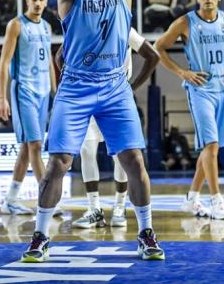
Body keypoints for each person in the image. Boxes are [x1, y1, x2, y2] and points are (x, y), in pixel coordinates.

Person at [21, 0, 164, 263]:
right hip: (76, 86)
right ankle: (40, 236)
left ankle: (146, 232)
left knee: (133, 160)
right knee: (58, 163)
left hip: (115, 86)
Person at [156, 0, 224, 219]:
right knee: (211, 146)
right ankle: (217, 202)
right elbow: (158, 47)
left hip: (223, 89)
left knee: (211, 150)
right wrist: (182, 72)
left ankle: (191, 199)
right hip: (200, 90)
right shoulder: (185, 22)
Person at [55, 27, 159, 229]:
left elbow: (153, 56)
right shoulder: (84, 24)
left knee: (121, 155)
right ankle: (94, 209)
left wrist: (131, 87)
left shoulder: (124, 28)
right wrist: (73, 81)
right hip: (88, 95)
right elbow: (59, 57)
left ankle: (119, 206)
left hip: (115, 98)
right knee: (87, 151)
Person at [0, 0, 56, 215]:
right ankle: (47, 200)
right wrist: (2, 98)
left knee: (26, 148)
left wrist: (56, 93)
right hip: (25, 90)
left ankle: (10, 201)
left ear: (46, 2)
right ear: (27, 1)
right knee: (36, 145)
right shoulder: (16, 25)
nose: (38, 4)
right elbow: (4, 63)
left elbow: (49, 62)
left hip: (43, 92)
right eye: (34, 0)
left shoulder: (47, 27)